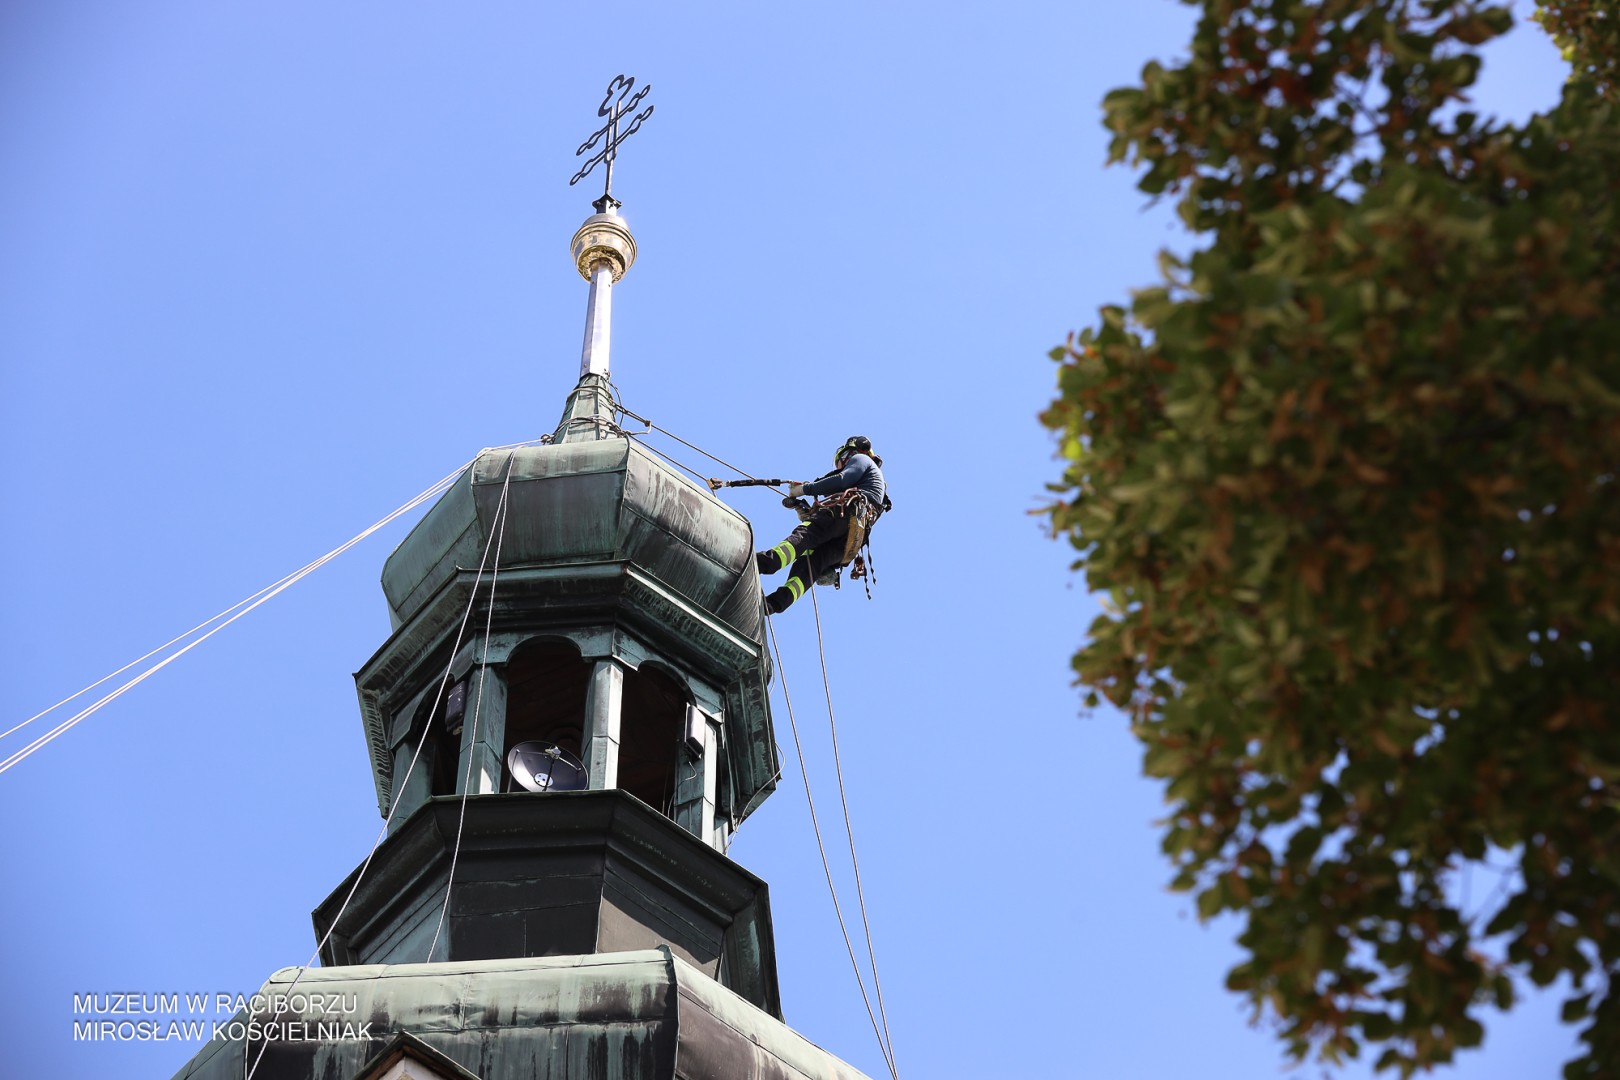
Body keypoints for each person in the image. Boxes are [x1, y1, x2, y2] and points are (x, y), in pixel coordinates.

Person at [756, 435, 888, 614]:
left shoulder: (861, 459)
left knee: (805, 535)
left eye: (842, 461)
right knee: (810, 563)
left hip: (846, 513)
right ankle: (774, 604)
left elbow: (842, 480)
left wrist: (805, 489)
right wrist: (805, 512)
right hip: (850, 541)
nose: (841, 465)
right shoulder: (874, 486)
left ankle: (764, 563)